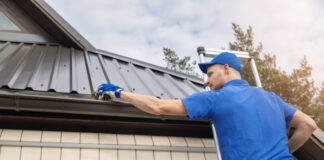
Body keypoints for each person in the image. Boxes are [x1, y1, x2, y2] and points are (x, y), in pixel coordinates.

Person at [97, 52, 317, 159]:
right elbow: (308, 125)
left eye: (211, 74)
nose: (207, 81)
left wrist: (119, 92)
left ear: (227, 68)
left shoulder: (216, 98)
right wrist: (281, 153)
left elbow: (157, 107)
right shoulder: (272, 98)